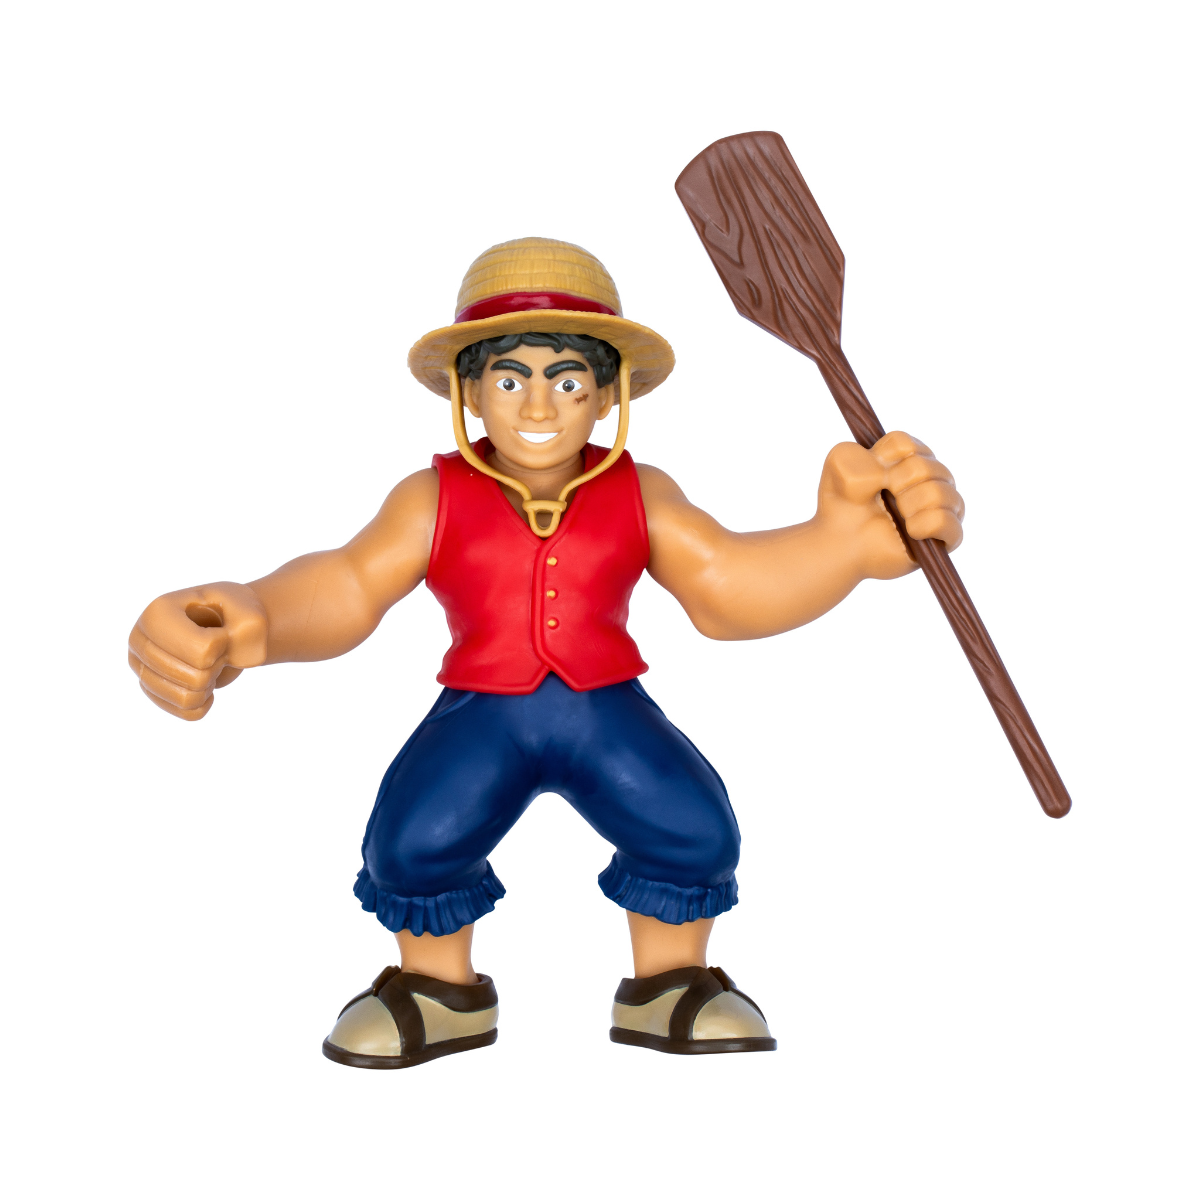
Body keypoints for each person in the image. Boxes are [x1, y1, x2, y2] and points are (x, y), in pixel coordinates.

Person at [128, 237, 965, 1069]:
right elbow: (350, 583)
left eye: (566, 382)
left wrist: (843, 547)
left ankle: (671, 983)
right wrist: (256, 616)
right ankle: (436, 992)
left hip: (605, 708)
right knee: (414, 840)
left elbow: (726, 587)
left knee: (690, 827)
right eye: (509, 380)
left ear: (605, 395)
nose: (537, 409)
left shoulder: (639, 492)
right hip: (482, 713)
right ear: (470, 391)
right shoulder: (433, 497)